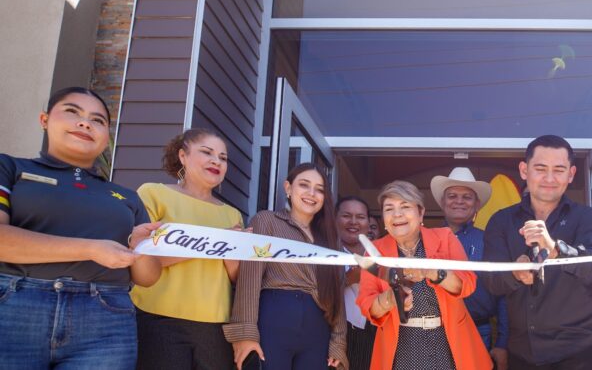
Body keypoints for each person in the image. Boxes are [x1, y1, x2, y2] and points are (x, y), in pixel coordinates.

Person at [0, 87, 162, 370]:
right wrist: (91, 249)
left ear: (107, 136)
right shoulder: (9, 168)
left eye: (97, 120)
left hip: (106, 318)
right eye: (72, 112)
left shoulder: (128, 197)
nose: (85, 123)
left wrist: (140, 248)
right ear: (44, 120)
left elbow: (147, 278)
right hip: (15, 307)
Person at [483, 135, 592, 370]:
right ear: (524, 170)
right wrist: (514, 274)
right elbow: (490, 281)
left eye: (559, 170)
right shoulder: (501, 221)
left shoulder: (587, 218)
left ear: (571, 174)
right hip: (522, 353)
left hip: (577, 352)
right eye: (540, 169)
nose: (549, 179)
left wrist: (555, 249)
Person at [131, 128, 244, 370]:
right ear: (183, 156)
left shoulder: (232, 214)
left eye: (223, 158)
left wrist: (231, 251)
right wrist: (216, 241)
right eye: (207, 152)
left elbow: (235, 276)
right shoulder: (153, 193)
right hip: (159, 317)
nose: (216, 161)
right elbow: (141, 257)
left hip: (217, 324)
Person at [357, 180, 491, 370]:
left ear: (421, 213)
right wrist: (391, 298)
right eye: (389, 208)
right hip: (402, 346)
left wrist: (431, 270)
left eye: (405, 206)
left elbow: (467, 284)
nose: (397, 214)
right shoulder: (374, 251)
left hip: (448, 342)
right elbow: (367, 306)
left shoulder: (444, 237)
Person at [224, 163, 346, 370]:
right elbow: (250, 279)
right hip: (274, 320)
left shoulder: (332, 240)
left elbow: (337, 294)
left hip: (317, 328)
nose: (311, 193)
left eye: (319, 189)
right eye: (304, 185)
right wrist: (245, 333)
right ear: (288, 188)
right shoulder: (266, 221)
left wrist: (338, 343)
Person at [431, 168, 510, 370]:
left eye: (467, 197)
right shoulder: (425, 240)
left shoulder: (489, 241)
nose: (459, 201)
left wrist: (502, 343)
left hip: (479, 330)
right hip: (432, 332)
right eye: (452, 196)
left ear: (476, 204)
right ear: (442, 202)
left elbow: (503, 294)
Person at [336, 195, 377, 370]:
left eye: (360, 217)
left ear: (368, 223)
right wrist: (348, 278)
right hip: (337, 333)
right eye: (346, 216)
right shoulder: (323, 253)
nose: (353, 222)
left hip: (375, 331)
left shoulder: (380, 254)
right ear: (335, 219)